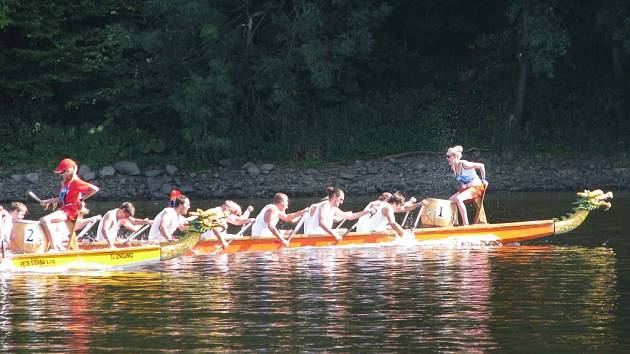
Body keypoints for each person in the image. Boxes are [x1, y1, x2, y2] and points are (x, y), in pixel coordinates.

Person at [39, 158, 99, 251]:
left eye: (61, 173)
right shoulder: (66, 182)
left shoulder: (76, 182)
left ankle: (54, 248)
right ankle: (59, 246)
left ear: (68, 171)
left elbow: (95, 189)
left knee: (44, 220)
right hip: (65, 209)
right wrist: (47, 201)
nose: (60, 175)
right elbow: (61, 198)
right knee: (49, 224)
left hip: (71, 210)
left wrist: (81, 198)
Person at [304, 187, 374, 241]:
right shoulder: (324, 205)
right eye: (341, 199)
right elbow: (321, 223)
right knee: (342, 232)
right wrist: (334, 235)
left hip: (322, 234)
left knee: (344, 230)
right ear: (334, 196)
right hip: (314, 235)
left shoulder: (334, 209)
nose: (341, 202)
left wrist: (367, 211)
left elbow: (351, 217)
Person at [446, 145, 488, 226]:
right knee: (451, 199)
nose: (447, 159)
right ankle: (456, 223)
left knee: (458, 198)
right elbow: (462, 180)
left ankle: (466, 224)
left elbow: (481, 165)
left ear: (454, 156)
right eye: (446, 157)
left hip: (477, 187)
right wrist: (463, 184)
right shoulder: (453, 168)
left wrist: (484, 179)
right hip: (468, 189)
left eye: (448, 156)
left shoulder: (464, 164)